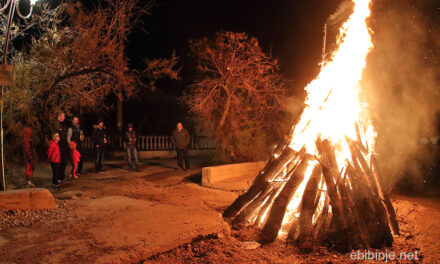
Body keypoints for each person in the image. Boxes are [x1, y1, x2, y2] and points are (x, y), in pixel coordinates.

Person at [54, 112, 68, 181]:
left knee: (64, 162)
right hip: (59, 146)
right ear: (59, 116)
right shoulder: (56, 124)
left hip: (64, 146)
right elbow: (55, 136)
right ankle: (58, 178)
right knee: (59, 163)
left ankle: (62, 176)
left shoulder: (63, 125)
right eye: (63, 116)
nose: (64, 118)